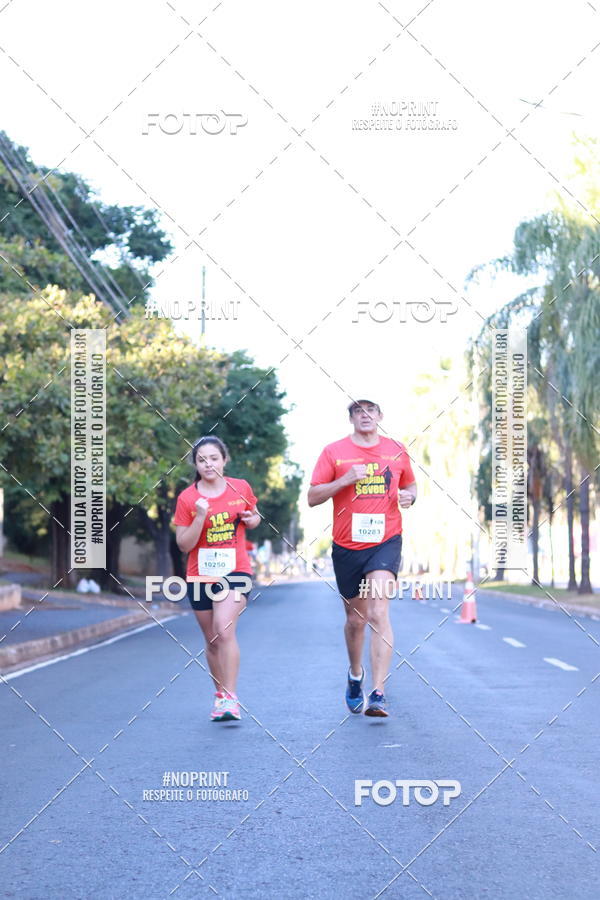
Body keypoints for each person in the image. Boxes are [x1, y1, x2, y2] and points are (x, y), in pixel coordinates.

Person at [308, 399, 417, 717]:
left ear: (381, 416)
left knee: (378, 612)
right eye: (359, 411)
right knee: (356, 621)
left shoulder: (396, 449)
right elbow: (312, 496)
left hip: (386, 540)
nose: (365, 415)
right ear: (352, 418)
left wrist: (410, 497)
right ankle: (356, 675)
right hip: (347, 545)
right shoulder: (334, 452)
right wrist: (344, 480)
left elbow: (410, 486)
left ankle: (379, 692)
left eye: (371, 410)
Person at [173, 436, 260, 722]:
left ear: (224, 459)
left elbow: (255, 515)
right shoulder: (187, 498)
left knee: (224, 629)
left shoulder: (241, 487)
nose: (208, 464)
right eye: (201, 459)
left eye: (213, 458)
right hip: (200, 575)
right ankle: (221, 696)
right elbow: (184, 545)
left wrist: (251, 519)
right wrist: (199, 517)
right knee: (211, 640)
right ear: (195, 464)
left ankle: (232, 699)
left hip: (236, 570)